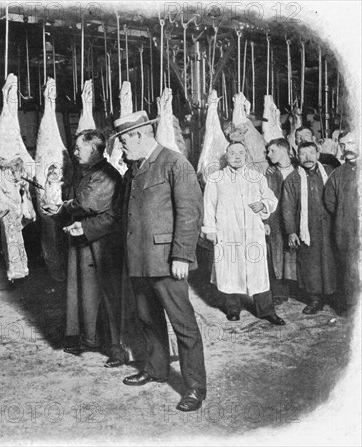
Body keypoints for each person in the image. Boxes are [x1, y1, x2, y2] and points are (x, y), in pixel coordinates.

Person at [114, 110, 206, 412]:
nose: (122, 147)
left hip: (167, 260)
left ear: (140, 135)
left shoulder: (175, 163)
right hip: (140, 260)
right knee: (147, 318)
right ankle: (156, 368)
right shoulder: (135, 169)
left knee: (183, 325)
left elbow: (190, 212)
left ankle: (194, 388)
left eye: (125, 141)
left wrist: (182, 254)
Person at [43, 129, 125, 368]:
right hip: (85, 240)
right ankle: (90, 339)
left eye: (79, 148)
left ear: (94, 149)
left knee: (106, 295)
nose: (75, 152)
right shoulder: (87, 172)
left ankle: (116, 348)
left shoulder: (105, 175)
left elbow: (86, 204)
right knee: (84, 292)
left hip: (102, 242)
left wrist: (64, 206)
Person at [202, 142, 285, 325]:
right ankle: (232, 308)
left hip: (252, 232)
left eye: (241, 152)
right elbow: (208, 206)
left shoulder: (256, 177)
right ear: (226, 156)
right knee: (230, 270)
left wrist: (263, 205)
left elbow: (271, 198)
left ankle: (266, 311)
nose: (237, 156)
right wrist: (210, 230)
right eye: (232, 153)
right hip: (228, 232)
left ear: (246, 155)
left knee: (258, 273)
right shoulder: (216, 178)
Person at [282, 141, 336, 314]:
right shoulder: (293, 178)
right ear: (298, 157)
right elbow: (287, 207)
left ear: (318, 154)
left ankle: (334, 297)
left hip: (330, 228)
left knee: (332, 261)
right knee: (310, 264)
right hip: (307, 230)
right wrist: (291, 232)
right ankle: (315, 299)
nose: (308, 158)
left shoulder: (330, 172)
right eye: (303, 154)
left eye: (311, 153)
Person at [323, 130, 360, 315]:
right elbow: (329, 201)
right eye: (344, 145)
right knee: (350, 272)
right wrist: (344, 217)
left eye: (352, 143)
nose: (347, 149)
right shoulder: (339, 173)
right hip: (346, 233)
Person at [264, 138, 298, 304]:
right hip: (276, 219)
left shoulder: (299, 169)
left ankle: (299, 289)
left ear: (284, 150)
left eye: (272, 151)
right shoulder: (270, 173)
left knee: (295, 252)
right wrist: (265, 221)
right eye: (268, 152)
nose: (269, 155)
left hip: (296, 219)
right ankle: (279, 292)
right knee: (277, 254)